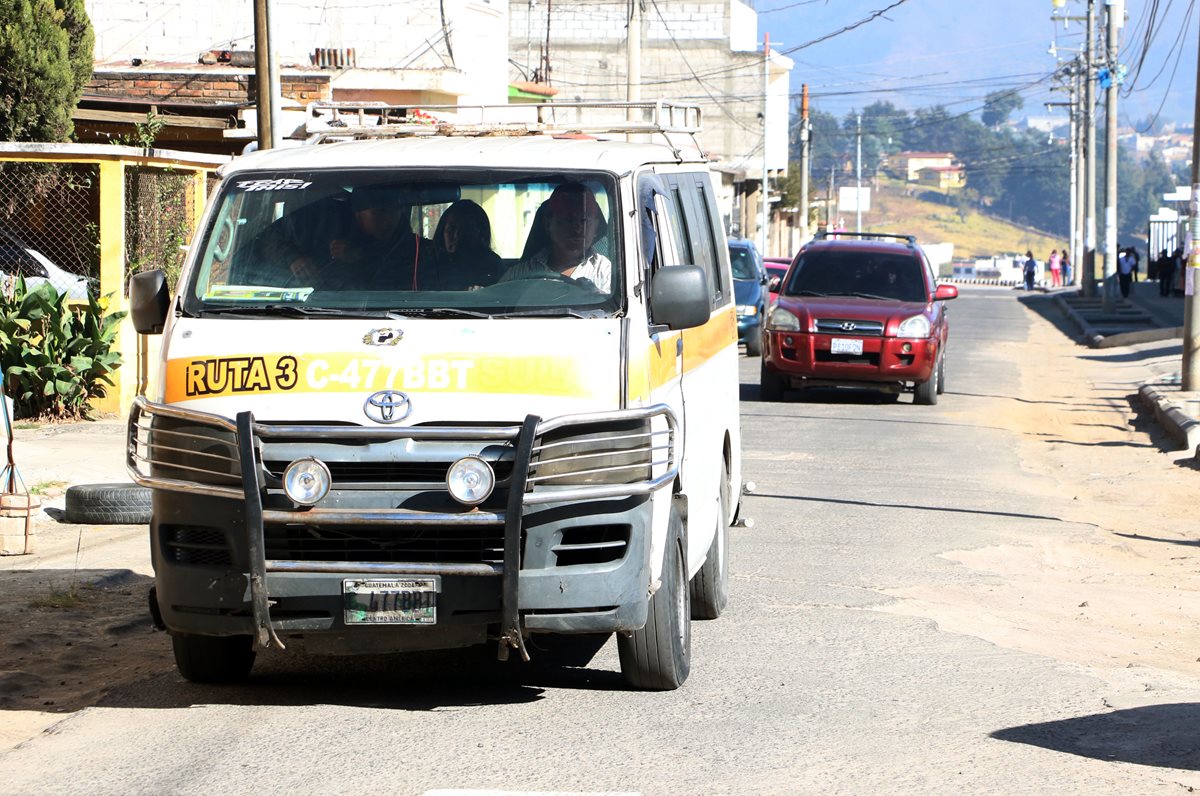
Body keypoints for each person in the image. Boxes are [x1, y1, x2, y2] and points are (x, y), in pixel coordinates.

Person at [501, 182, 612, 292]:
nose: (577, 229)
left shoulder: (606, 272)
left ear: (596, 227)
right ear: (548, 224)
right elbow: (495, 302)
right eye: (569, 220)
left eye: (584, 221)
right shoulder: (520, 274)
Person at [321, 185, 432, 290]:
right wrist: (347, 261)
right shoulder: (342, 253)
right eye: (380, 211)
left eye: (395, 208)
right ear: (359, 218)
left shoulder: (426, 251)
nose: (390, 217)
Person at [427, 199, 503, 290]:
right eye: (451, 229)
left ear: (479, 234)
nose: (456, 236)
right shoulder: (431, 265)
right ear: (442, 231)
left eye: (465, 230)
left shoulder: (493, 266)